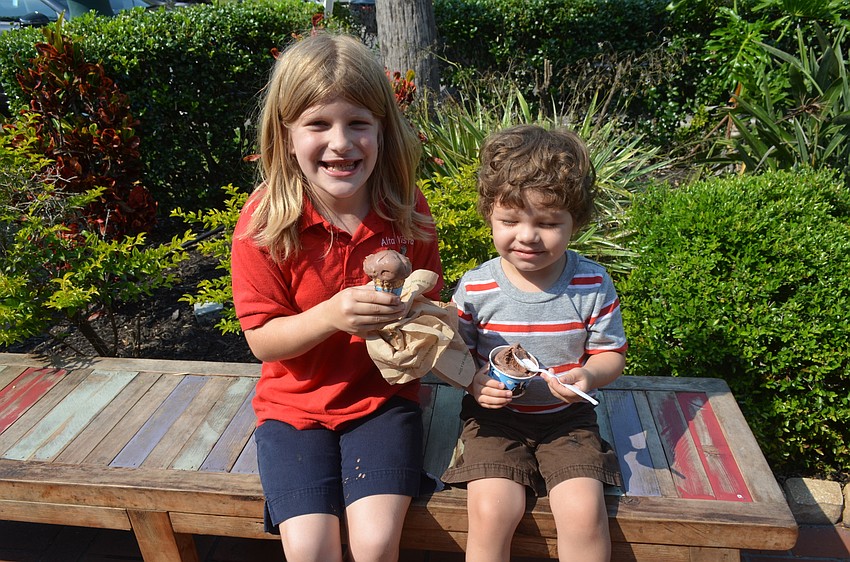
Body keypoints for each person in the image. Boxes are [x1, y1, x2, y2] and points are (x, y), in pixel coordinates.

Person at [230, 32, 444, 562]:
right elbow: (263, 341)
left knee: (374, 544)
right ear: (285, 135)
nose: (340, 142)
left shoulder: (405, 208)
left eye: (358, 124)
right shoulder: (266, 222)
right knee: (309, 548)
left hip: (382, 403)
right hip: (292, 409)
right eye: (318, 124)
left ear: (383, 131)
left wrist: (425, 320)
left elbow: (432, 294)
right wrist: (331, 314)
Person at [441, 125, 627, 562]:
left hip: (567, 419)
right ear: (489, 214)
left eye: (547, 223)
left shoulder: (590, 283)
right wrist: (474, 384)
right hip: (495, 422)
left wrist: (589, 373)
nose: (527, 236)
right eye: (510, 221)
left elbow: (610, 354)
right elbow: (452, 354)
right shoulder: (477, 286)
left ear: (575, 223)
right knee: (492, 511)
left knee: (583, 513)